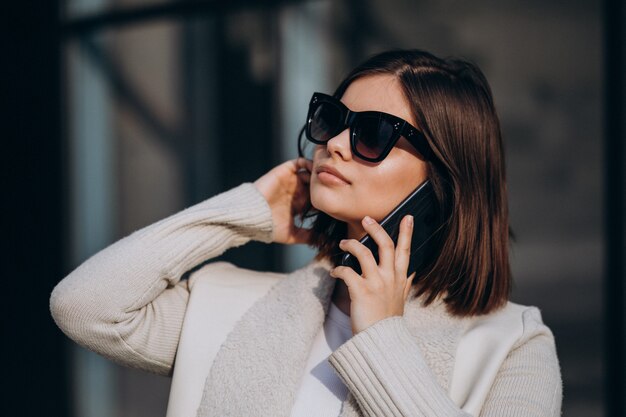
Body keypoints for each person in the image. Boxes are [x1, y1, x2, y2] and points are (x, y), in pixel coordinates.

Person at [50, 49, 563, 417]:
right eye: (332, 118)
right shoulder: (231, 303)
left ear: (446, 179)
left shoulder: (513, 345)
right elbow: (85, 306)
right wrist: (242, 212)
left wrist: (383, 339)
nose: (336, 143)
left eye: (372, 133)